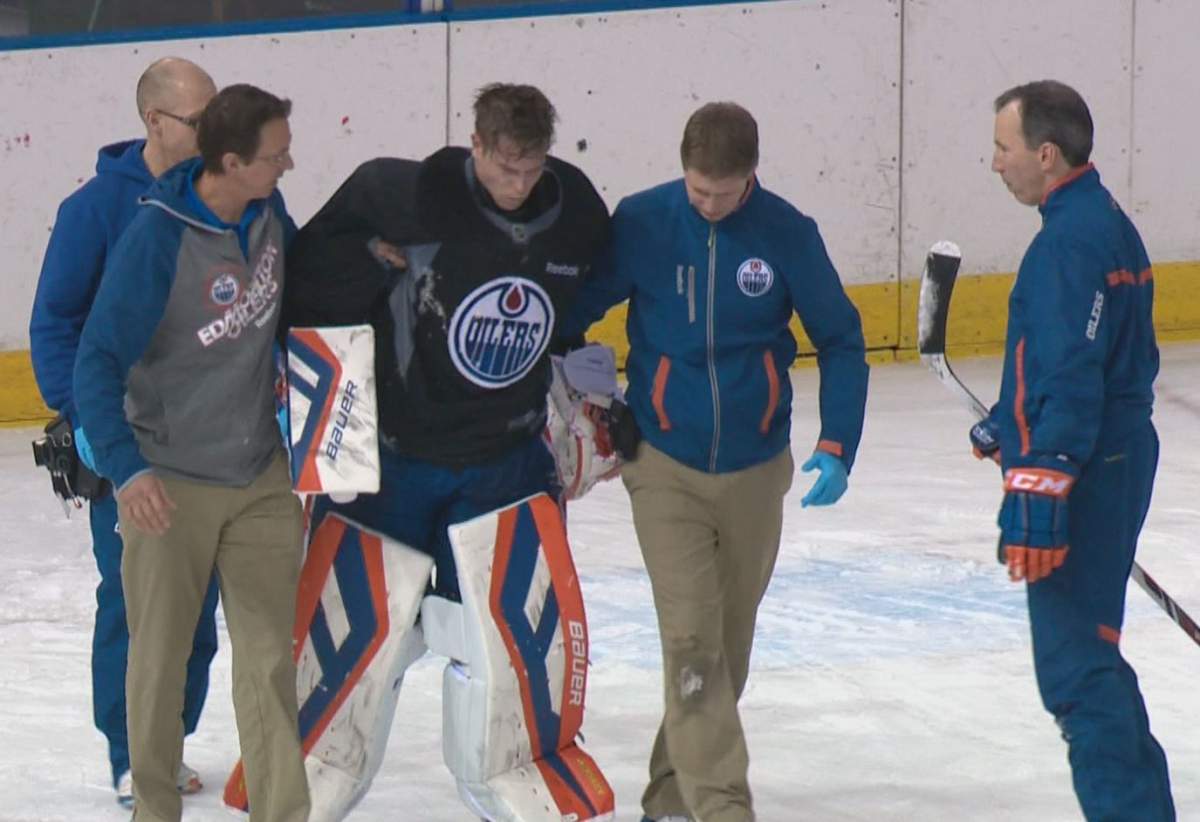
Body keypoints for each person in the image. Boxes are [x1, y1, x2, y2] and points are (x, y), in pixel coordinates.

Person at [280, 83, 615, 820]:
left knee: (502, 642)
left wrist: (586, 389)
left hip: (507, 463)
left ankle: (515, 765)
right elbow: (304, 284)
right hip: (395, 462)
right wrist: (371, 259)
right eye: (504, 170)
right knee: (361, 635)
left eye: (531, 171)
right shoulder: (399, 196)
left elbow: (577, 306)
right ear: (476, 144)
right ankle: (311, 763)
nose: (518, 187)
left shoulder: (577, 213)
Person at [560, 101, 869, 822]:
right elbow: (573, 307)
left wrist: (837, 443)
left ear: (751, 176)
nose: (708, 205)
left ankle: (669, 798)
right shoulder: (643, 221)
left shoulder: (787, 234)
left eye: (723, 195)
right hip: (663, 462)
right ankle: (723, 807)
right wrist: (582, 384)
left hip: (758, 468)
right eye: (698, 191)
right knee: (693, 637)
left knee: (727, 648)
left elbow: (843, 339)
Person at [72, 83, 309, 822]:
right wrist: (126, 466)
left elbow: (306, 294)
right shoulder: (157, 238)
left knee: (270, 661)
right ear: (231, 161)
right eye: (274, 155)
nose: (288, 164)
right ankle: (152, 808)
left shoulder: (269, 214)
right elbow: (96, 360)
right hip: (169, 479)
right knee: (159, 663)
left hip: (259, 472)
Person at [975, 79, 1174, 821]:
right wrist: (1012, 417)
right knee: (1092, 653)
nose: (995, 163)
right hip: (1110, 456)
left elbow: (1071, 371)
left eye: (1004, 147)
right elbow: (1092, 355)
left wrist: (1040, 481)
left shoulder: (1068, 242)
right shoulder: (1099, 220)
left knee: (1078, 670)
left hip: (1087, 469)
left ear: (1046, 154)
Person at [27, 56, 219, 807]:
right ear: (155, 121)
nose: (213, 132)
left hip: (217, 441)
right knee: (135, 601)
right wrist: (85, 423)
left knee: (198, 604)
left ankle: (167, 737)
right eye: (199, 119)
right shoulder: (94, 212)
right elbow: (55, 324)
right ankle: (130, 749)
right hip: (127, 443)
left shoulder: (228, 196)